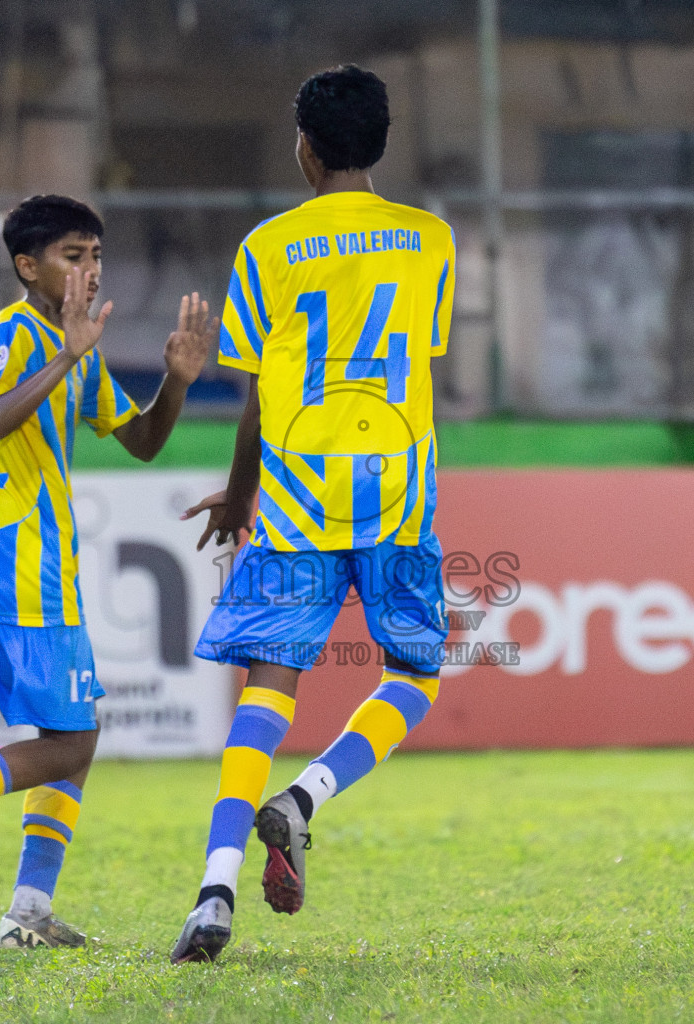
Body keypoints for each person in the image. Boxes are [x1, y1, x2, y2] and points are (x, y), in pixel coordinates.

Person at [0, 194, 216, 949]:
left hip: (29, 558)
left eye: (95, 256)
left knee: (71, 734)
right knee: (73, 741)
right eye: (71, 256)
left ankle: (28, 913)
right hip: (22, 558)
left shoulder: (70, 345)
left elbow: (144, 440)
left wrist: (177, 379)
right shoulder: (21, 332)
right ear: (29, 267)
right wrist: (65, 355)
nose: (89, 270)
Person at [170, 65, 456, 964]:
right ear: (379, 143)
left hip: (298, 500)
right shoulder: (431, 242)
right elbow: (420, 354)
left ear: (306, 145)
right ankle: (305, 799)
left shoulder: (266, 247)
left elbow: (257, 396)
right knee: (413, 675)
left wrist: (243, 490)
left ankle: (214, 894)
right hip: (397, 496)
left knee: (265, 692)